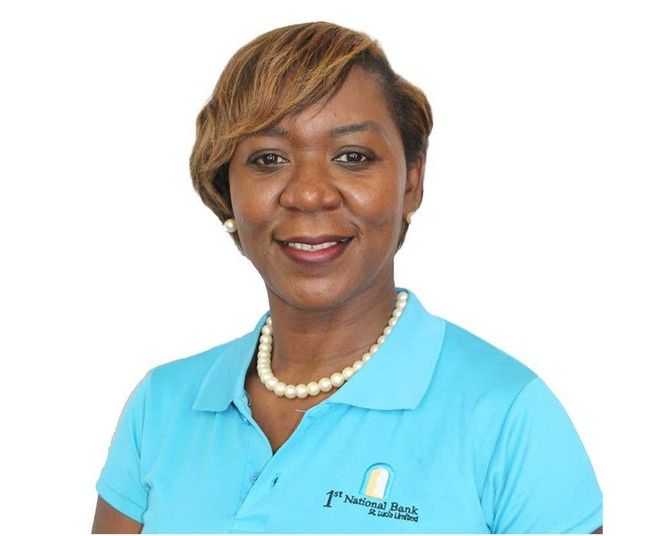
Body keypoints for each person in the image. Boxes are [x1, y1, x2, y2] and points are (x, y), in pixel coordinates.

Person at [92, 21, 603, 534]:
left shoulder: (509, 417)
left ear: (411, 181)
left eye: (352, 157)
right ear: (226, 189)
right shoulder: (160, 407)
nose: (309, 194)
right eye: (268, 159)